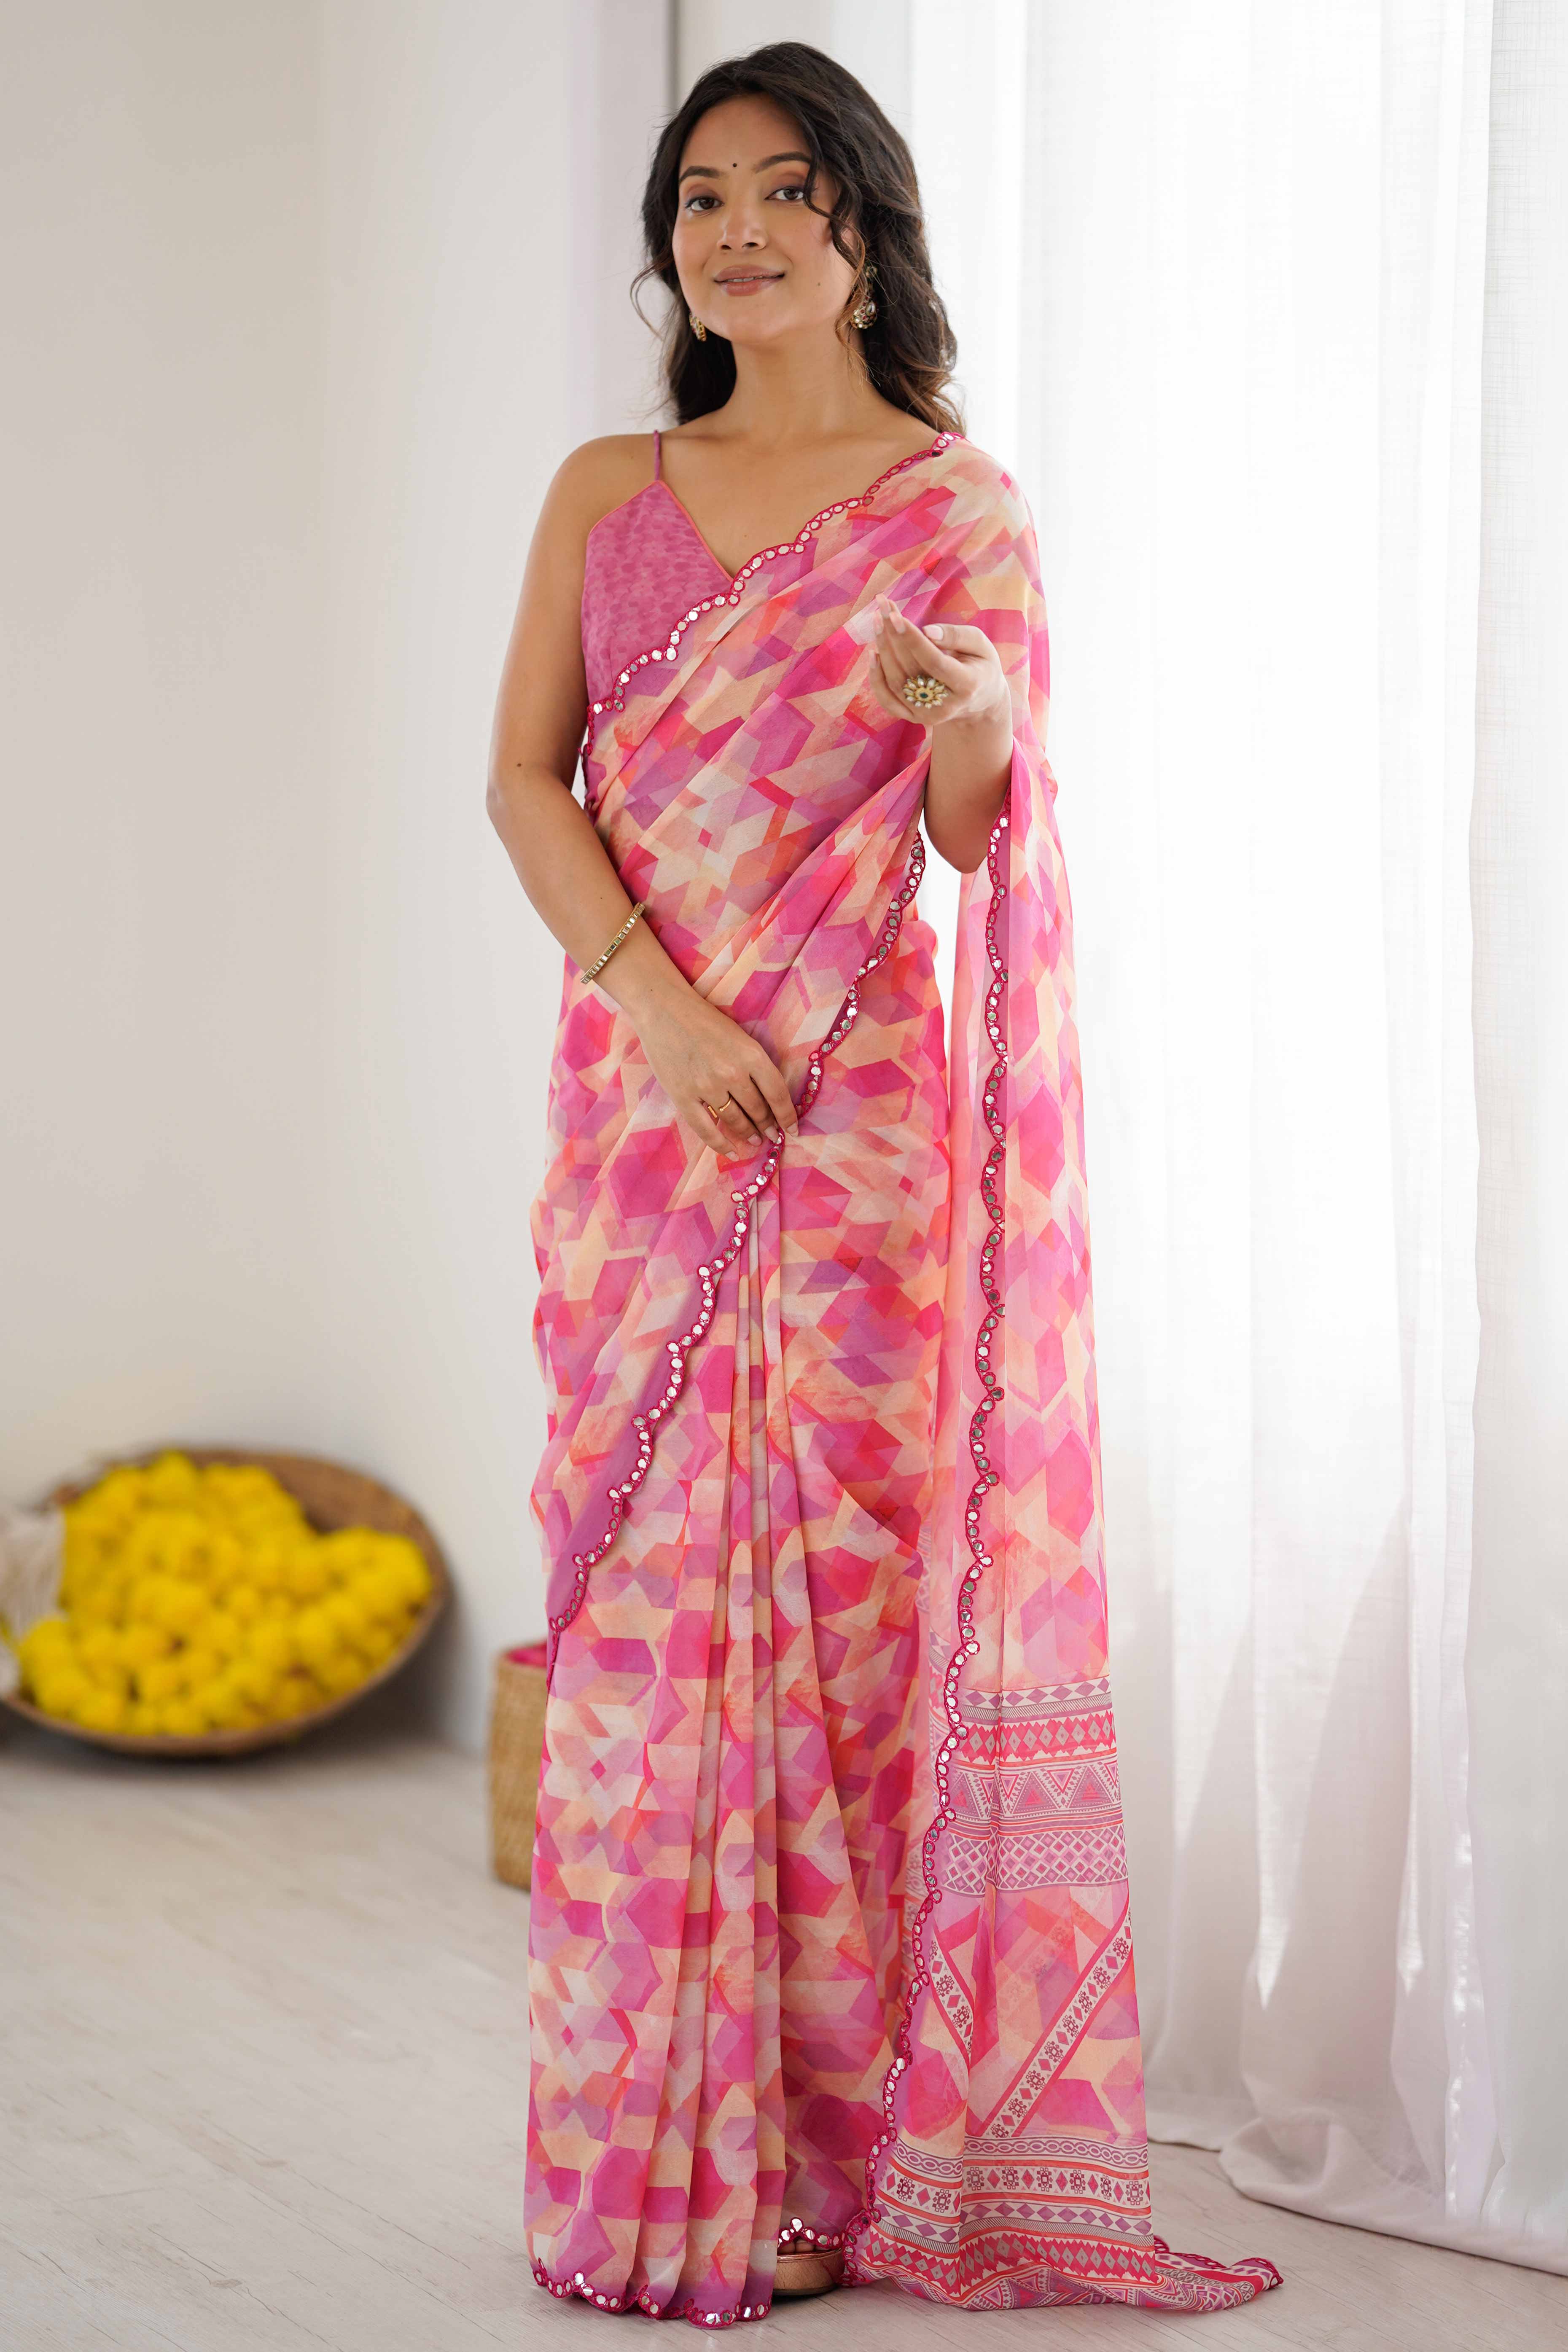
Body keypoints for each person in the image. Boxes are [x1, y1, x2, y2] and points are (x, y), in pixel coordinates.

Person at [487, 39, 1281, 2325]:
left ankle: (831, 2174)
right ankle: (653, 2160)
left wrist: (978, 720)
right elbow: (525, 781)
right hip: (651, 1120)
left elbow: (964, 832)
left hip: (850, 1144)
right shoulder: (605, 489)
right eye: (701, 196)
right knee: (645, 1645)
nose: (736, 231)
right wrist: (660, 1008)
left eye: (784, 192)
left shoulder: (959, 509)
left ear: (864, 230)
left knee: (839, 1631)